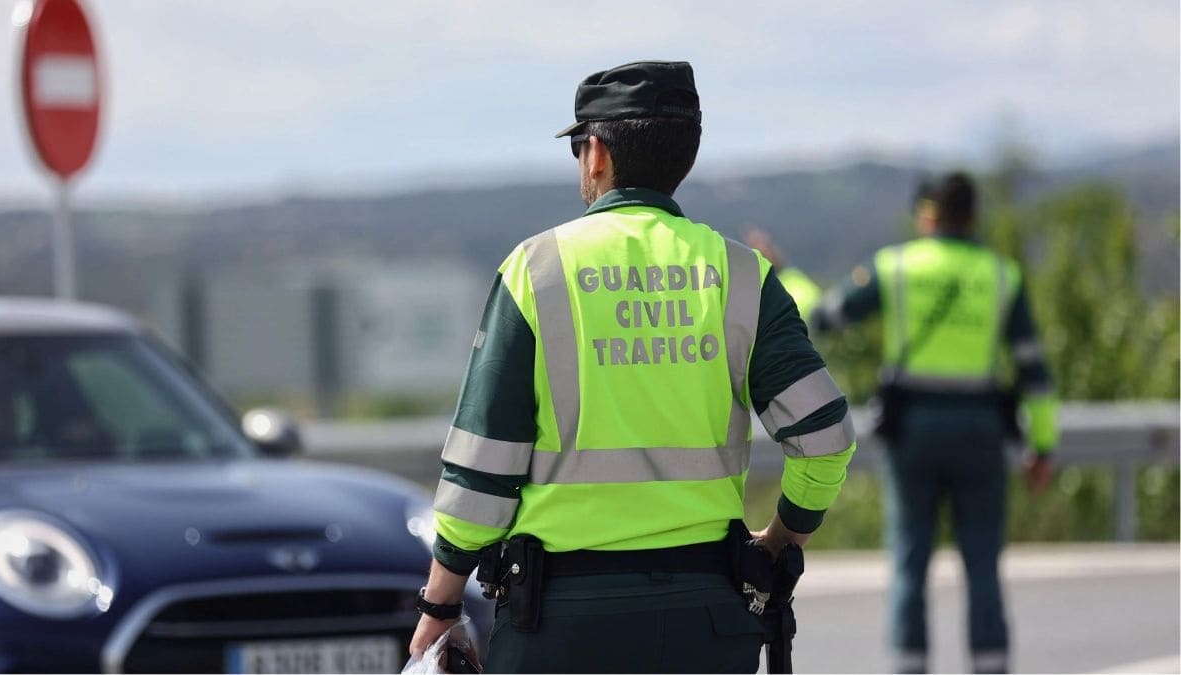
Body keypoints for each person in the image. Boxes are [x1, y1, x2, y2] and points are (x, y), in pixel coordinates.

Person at [409, 60, 857, 673]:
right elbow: (827, 437)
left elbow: (481, 472)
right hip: (708, 621)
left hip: (560, 626)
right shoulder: (743, 275)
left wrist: (440, 601)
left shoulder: (536, 271)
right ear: (686, 157)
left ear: (596, 154)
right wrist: (780, 542)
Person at [810, 172, 1059, 674]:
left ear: (927, 215)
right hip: (981, 432)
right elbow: (1034, 371)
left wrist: (787, 275)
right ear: (973, 217)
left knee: (908, 561)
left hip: (912, 433)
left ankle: (908, 666)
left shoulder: (897, 266)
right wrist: (1043, 447)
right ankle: (990, 665)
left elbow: (827, 317)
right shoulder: (1001, 275)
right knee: (983, 563)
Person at [744, 227, 822, 319]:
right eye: (757, 251)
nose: (765, 251)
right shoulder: (754, 297)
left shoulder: (793, 276)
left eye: (767, 246)